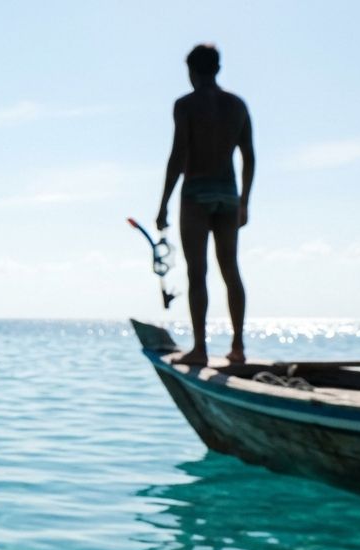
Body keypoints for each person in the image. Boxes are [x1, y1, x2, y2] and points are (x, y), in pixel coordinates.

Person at [156, 43, 255, 366]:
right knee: (231, 269)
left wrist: (163, 206)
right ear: (218, 68)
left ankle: (200, 349)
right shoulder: (237, 105)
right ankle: (237, 347)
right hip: (228, 194)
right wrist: (244, 202)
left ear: (193, 71)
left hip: (196, 193)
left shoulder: (186, 105)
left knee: (197, 273)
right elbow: (249, 156)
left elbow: (177, 155)